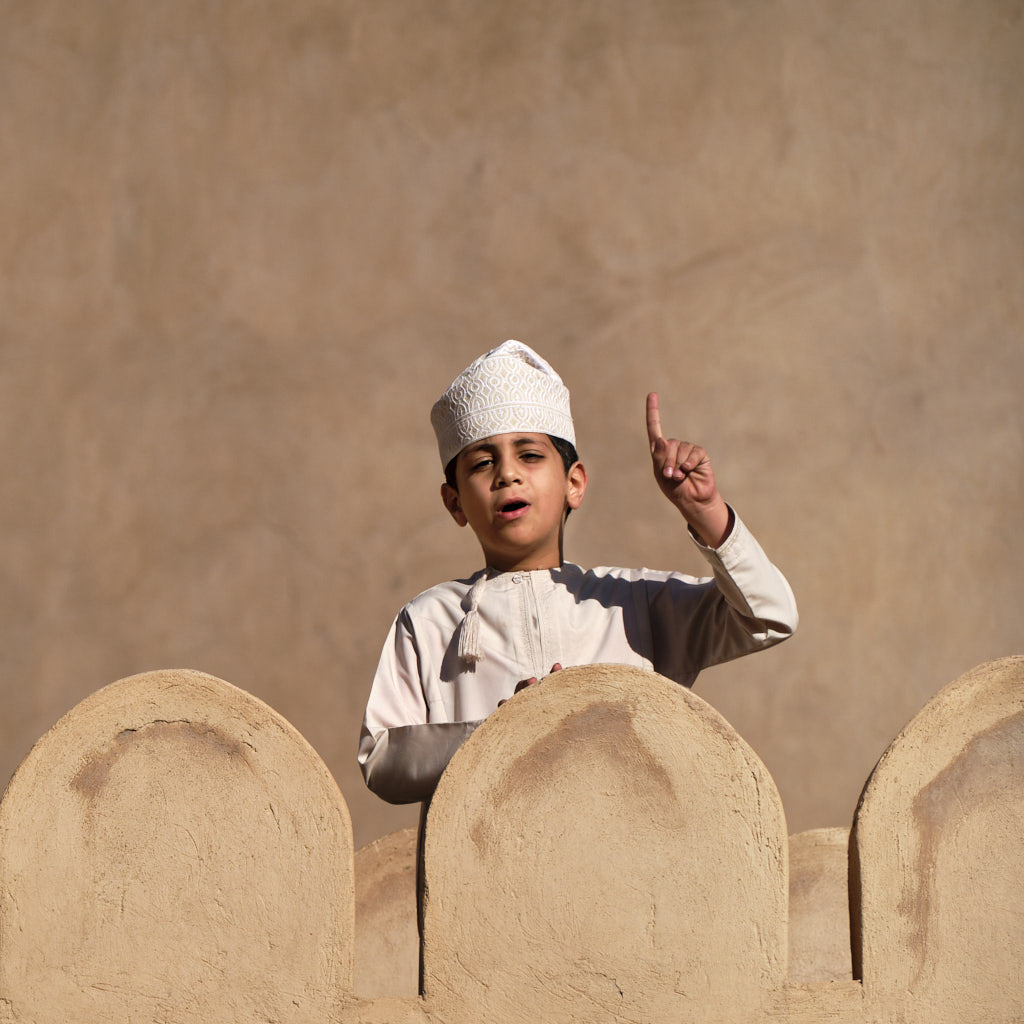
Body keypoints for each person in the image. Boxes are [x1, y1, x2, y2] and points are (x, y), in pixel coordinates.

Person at [358, 340, 797, 805]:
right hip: (483, 867)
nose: (508, 474)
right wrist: (495, 737)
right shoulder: (430, 620)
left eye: (529, 455)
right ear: (455, 503)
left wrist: (705, 511)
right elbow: (380, 757)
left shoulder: (632, 604)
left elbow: (768, 616)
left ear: (574, 484)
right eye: (483, 463)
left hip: (627, 860)